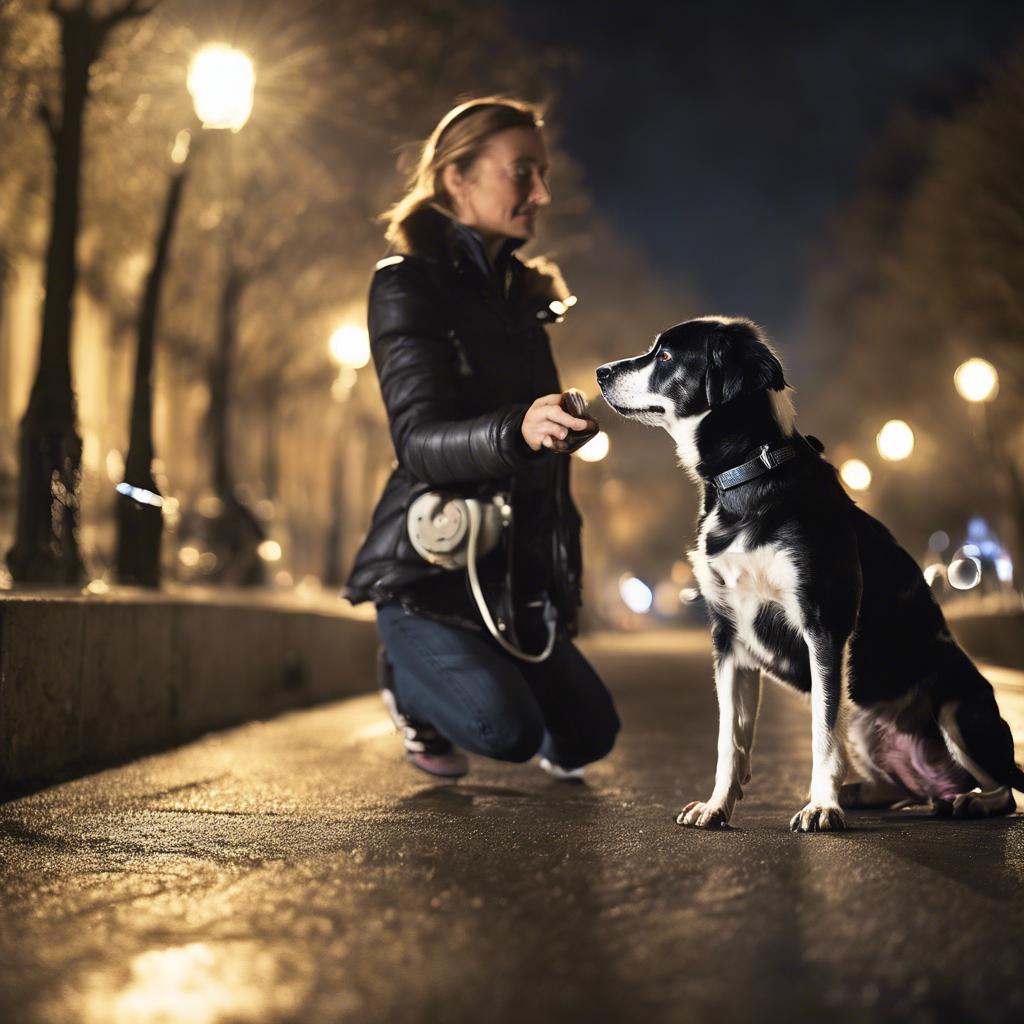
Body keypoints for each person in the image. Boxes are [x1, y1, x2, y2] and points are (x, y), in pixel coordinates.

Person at [344, 97, 620, 780]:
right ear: (455, 178)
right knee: (508, 732)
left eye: (544, 174)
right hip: (429, 573)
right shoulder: (405, 284)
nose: (542, 194)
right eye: (522, 172)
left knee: (588, 736)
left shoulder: (522, 297)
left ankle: (480, 676)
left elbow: (533, 458)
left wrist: (555, 432)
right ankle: (409, 685)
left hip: (507, 580)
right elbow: (418, 441)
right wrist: (518, 427)